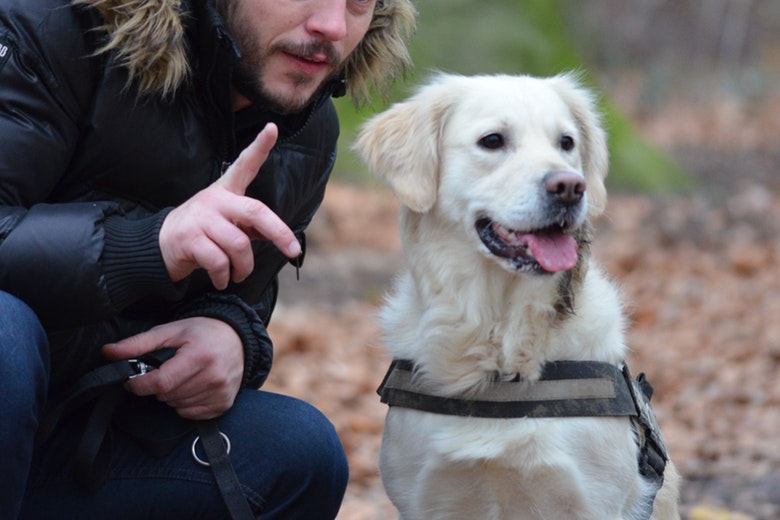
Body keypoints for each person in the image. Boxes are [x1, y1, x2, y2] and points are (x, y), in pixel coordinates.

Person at [0, 0, 415, 517]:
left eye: (358, 3)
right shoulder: (53, 24)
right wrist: (148, 246)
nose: (331, 25)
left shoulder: (307, 128)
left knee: (299, 451)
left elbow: (244, 291)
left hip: (78, 437)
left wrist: (231, 333)